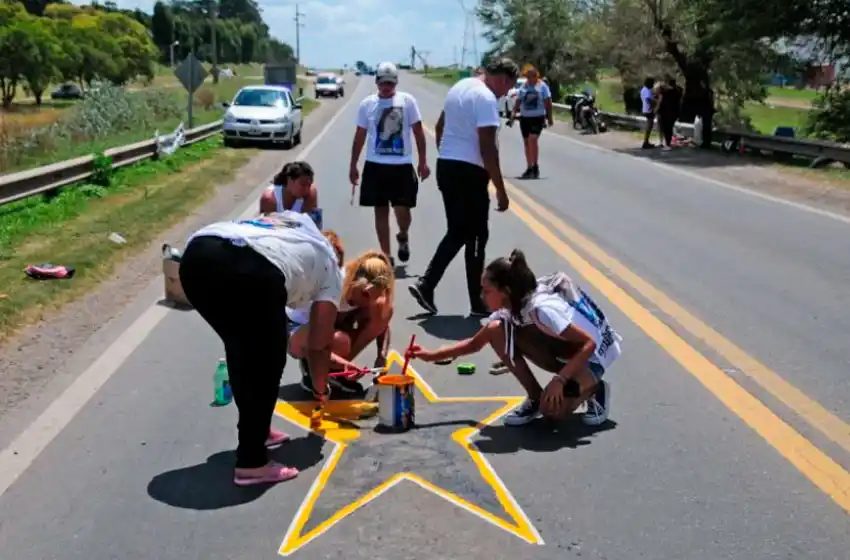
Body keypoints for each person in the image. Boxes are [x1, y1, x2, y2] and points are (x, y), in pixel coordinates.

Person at [179, 211, 342, 486]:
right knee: (267, 362)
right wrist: (320, 389)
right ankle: (252, 463)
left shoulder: (297, 223)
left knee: (242, 347)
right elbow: (319, 344)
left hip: (198, 252)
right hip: (251, 269)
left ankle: (259, 429)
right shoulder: (330, 271)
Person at [409, 250, 620, 427]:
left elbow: (589, 343)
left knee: (553, 411)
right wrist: (430, 354)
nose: (481, 296)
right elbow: (475, 344)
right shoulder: (513, 307)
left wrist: (560, 380)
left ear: (506, 291)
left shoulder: (541, 310)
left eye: (487, 291)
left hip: (592, 358)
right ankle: (536, 396)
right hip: (566, 351)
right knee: (496, 329)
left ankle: (595, 388)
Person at [408, 57, 519, 317]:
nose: (505, 94)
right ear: (502, 79)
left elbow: (439, 126)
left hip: (447, 166)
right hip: (470, 172)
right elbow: (488, 148)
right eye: (507, 88)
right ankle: (442, 288)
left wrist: (448, 154)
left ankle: (445, 290)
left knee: (461, 233)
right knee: (475, 236)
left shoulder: (459, 87)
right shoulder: (486, 98)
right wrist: (500, 190)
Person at [349, 61, 430, 267]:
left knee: (403, 209)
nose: (387, 87)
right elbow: (359, 135)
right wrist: (353, 165)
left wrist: (423, 161)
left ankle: (403, 234)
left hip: (401, 165)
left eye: (391, 83)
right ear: (376, 82)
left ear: (396, 83)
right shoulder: (367, 104)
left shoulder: (407, 101)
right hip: (375, 165)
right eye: (383, 83)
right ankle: (386, 255)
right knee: (380, 210)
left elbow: (418, 132)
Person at [289, 250, 395, 395]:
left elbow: (382, 323)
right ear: (353, 281)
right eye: (365, 295)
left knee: (380, 311)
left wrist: (382, 355)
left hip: (326, 326)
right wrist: (344, 364)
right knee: (340, 341)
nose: (368, 301)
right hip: (295, 330)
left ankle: (333, 370)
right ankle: (313, 370)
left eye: (373, 297)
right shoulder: (332, 292)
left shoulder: (363, 292)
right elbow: (314, 344)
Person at [509, 66, 553, 179]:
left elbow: (548, 101)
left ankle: (535, 166)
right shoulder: (524, 86)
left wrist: (550, 117)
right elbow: (519, 100)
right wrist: (513, 114)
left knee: (532, 139)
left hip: (538, 117)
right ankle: (529, 167)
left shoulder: (542, 86)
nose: (530, 78)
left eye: (532, 76)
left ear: (536, 75)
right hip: (525, 118)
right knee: (526, 143)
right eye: (528, 76)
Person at [657, 76, 683, 150]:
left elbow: (660, 100)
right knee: (670, 127)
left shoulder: (665, 91)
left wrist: (657, 109)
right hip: (674, 112)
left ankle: (667, 143)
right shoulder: (678, 91)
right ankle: (669, 143)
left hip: (665, 111)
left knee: (666, 128)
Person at [640, 77, 656, 149]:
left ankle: (646, 141)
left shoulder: (643, 89)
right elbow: (648, 99)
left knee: (649, 125)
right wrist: (654, 104)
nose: (653, 84)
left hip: (645, 109)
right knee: (649, 126)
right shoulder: (647, 90)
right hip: (649, 110)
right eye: (652, 83)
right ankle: (645, 142)